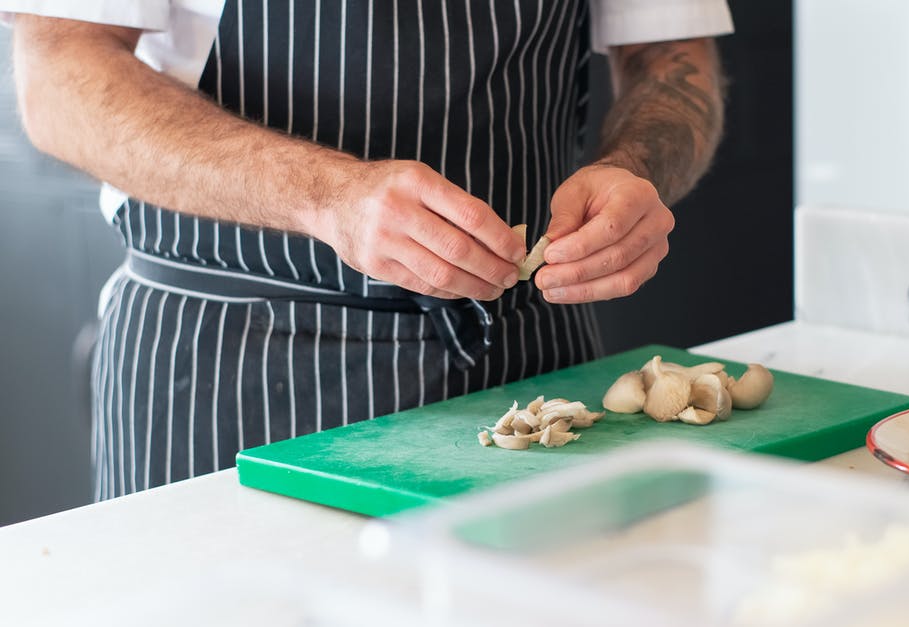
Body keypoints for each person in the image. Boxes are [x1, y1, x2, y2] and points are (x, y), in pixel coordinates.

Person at [6, 0, 730, 500]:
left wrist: (637, 171)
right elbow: (61, 78)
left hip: (525, 363)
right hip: (227, 372)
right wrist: (325, 194)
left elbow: (672, 58)